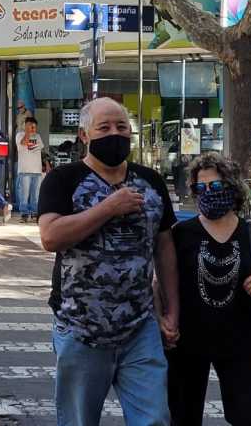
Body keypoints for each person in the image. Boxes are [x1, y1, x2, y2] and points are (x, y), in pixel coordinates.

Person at [37, 98, 179, 426]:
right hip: (80, 327)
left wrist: (172, 311)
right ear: (84, 135)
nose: (114, 134)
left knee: (154, 418)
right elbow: (51, 237)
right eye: (104, 128)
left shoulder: (151, 182)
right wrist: (108, 208)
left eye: (122, 127)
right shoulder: (63, 179)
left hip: (139, 326)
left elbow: (164, 247)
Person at [167, 152, 251, 426]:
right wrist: (165, 320)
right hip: (187, 343)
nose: (208, 193)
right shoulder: (182, 233)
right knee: (182, 418)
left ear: (231, 186)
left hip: (240, 342)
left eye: (216, 186)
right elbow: (161, 282)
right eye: (201, 188)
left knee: (249, 418)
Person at [16, 117, 44, 223]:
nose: (33, 129)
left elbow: (39, 147)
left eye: (34, 127)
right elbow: (23, 143)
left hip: (37, 170)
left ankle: (35, 213)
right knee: (24, 194)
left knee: (35, 195)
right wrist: (27, 133)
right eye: (30, 126)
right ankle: (24, 214)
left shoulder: (38, 136)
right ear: (25, 125)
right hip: (24, 170)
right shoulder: (19, 135)